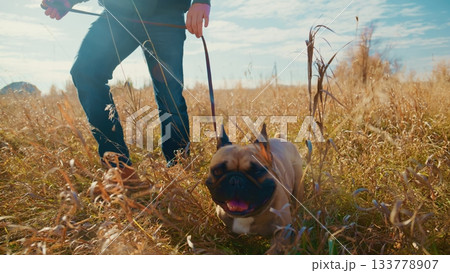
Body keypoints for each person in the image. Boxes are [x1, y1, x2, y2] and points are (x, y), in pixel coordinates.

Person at [42, 0, 211, 175]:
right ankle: (119, 169)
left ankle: (179, 168)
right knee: (85, 72)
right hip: (118, 11)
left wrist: (201, 1)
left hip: (165, 11)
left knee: (170, 94)